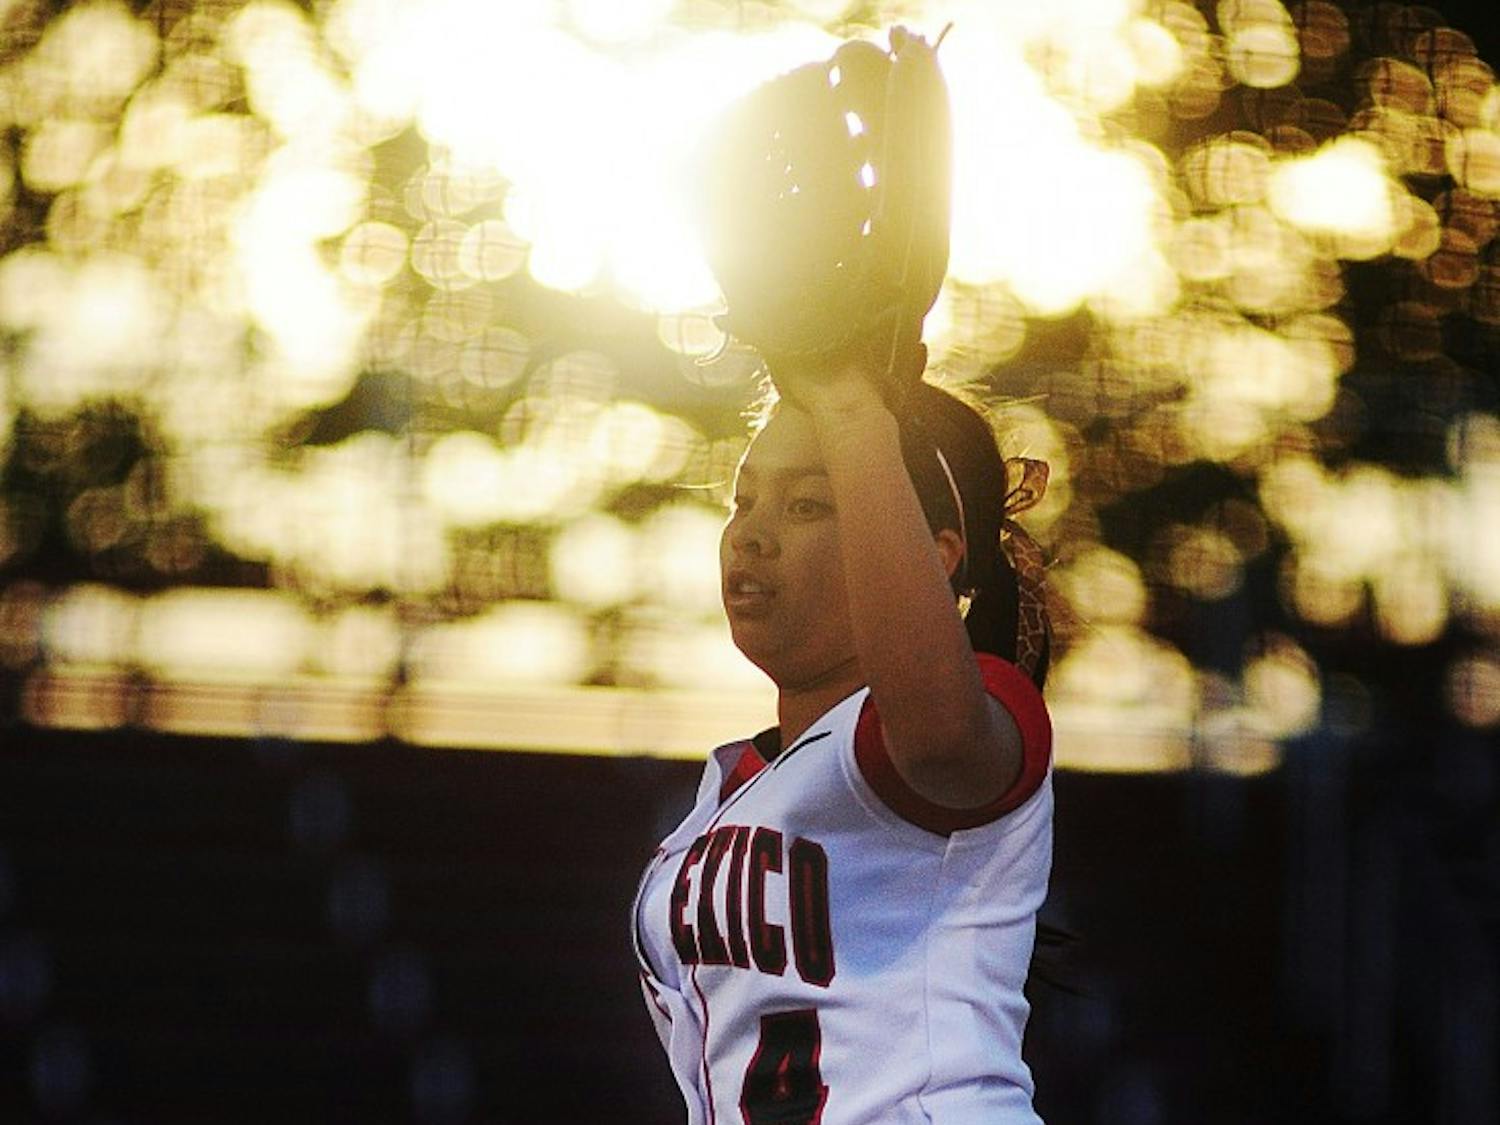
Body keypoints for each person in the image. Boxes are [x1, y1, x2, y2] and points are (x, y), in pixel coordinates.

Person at [630, 28, 1056, 1124]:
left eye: (811, 502)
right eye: (743, 497)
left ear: (936, 558)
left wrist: (855, 404)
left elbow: (935, 737)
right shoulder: (724, 794)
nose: (753, 533)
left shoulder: (968, 731)